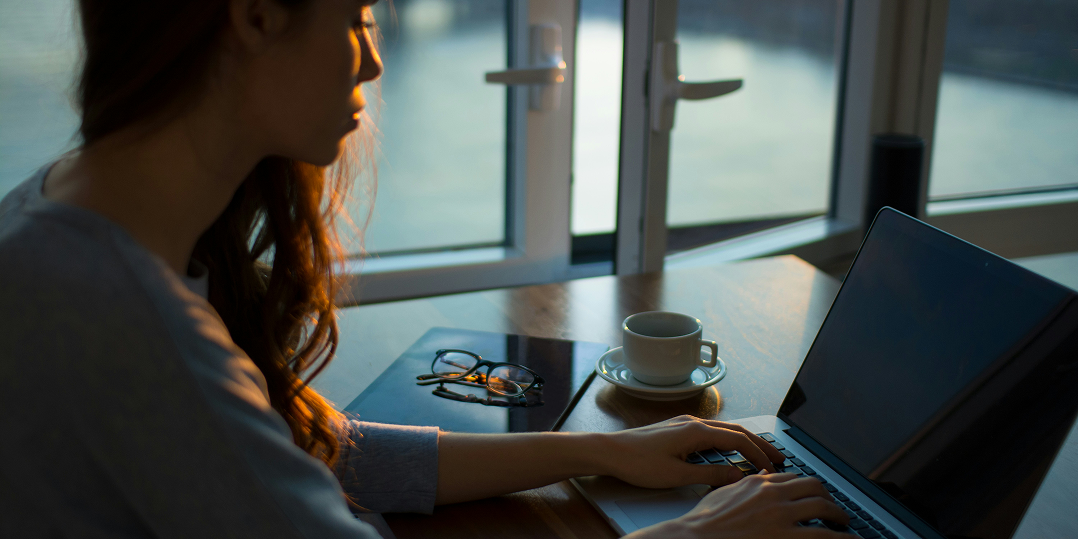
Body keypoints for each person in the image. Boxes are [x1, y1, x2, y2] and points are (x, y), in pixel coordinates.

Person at [0, 0, 851, 537]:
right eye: (359, 13)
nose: (371, 56)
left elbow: (319, 453)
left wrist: (603, 449)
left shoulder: (61, 215)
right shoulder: (130, 325)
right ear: (255, 14)